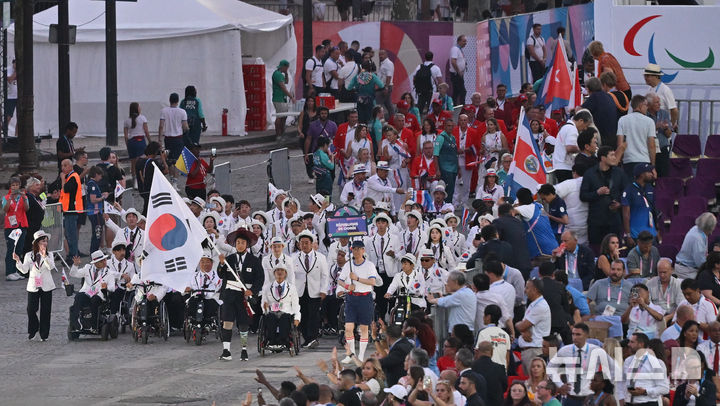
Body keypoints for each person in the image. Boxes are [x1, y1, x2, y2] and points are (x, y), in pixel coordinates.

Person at [216, 226, 264, 361]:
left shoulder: (254, 261)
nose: (240, 245)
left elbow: (260, 278)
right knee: (227, 321)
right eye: (238, 243)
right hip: (230, 294)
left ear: (247, 245)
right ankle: (226, 351)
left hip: (244, 296)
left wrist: (253, 291)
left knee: (243, 323)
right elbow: (221, 275)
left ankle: (244, 350)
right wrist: (220, 264)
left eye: (243, 243)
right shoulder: (229, 259)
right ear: (235, 244)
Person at [547, 323, 616, 405]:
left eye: (578, 334)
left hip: (590, 398)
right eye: (573, 334)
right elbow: (550, 368)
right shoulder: (565, 350)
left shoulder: (596, 350)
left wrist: (604, 386)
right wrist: (560, 384)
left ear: (586, 335)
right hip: (570, 397)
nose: (575, 337)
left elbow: (614, 368)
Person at [337, 240, 381, 363]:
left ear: (363, 250)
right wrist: (347, 286)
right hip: (351, 297)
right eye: (354, 249)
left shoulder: (369, 265)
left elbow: (372, 282)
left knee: (363, 328)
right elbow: (340, 280)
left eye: (358, 249)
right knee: (348, 327)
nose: (356, 251)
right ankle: (351, 354)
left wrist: (357, 279)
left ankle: (361, 356)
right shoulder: (348, 265)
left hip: (365, 297)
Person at [580, 146, 628, 247]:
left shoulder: (619, 173)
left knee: (615, 250)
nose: (615, 158)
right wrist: (597, 193)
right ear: (603, 158)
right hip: (597, 221)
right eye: (612, 155)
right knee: (596, 251)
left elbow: (626, 193)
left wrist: (619, 203)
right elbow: (583, 196)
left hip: (614, 220)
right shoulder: (590, 174)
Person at [13, 231, 55, 341]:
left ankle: (44, 334)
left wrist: (44, 256)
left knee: (46, 311)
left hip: (46, 285)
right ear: (36, 243)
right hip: (33, 285)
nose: (45, 243)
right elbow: (24, 270)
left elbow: (51, 267)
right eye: (42, 241)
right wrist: (18, 261)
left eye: (46, 241)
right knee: (31, 309)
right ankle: (33, 329)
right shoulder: (28, 255)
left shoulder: (49, 255)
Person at [293, 230, 329, 349]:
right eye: (302, 243)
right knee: (302, 315)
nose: (304, 245)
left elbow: (325, 275)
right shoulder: (294, 257)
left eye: (306, 243)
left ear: (312, 243)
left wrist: (324, 290)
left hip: (315, 291)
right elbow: (291, 276)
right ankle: (307, 338)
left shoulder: (321, 257)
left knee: (314, 315)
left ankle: (313, 337)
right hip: (299, 291)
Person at [69, 250, 117, 332]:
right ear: (95, 263)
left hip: (100, 295)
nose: (104, 262)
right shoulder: (88, 268)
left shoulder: (109, 273)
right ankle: (75, 320)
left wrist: (106, 287)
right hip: (88, 293)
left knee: (95, 300)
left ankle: (94, 325)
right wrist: (75, 265)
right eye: (101, 261)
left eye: (105, 260)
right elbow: (73, 274)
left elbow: (112, 288)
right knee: (78, 296)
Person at [618, 333, 669, 403]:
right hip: (629, 402)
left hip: (647, 402)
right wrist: (621, 398)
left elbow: (664, 388)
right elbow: (622, 382)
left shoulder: (657, 362)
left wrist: (645, 391)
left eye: (632, 342)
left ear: (641, 344)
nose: (628, 344)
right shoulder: (628, 361)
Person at [516, 279, 551, 376]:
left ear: (535, 290)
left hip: (534, 351)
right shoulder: (533, 304)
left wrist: (521, 327)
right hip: (530, 351)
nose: (524, 290)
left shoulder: (540, 306)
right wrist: (523, 330)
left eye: (527, 288)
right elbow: (522, 326)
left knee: (535, 385)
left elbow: (522, 325)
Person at [617, 95, 657, 178]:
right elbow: (652, 145)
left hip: (628, 161)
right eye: (646, 105)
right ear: (640, 105)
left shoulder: (622, 120)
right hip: (644, 161)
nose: (647, 108)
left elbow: (620, 143)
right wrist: (652, 166)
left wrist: (619, 160)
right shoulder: (649, 121)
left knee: (629, 188)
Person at [260, 264, 301, 347]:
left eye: (282, 270)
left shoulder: (292, 288)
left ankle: (284, 340)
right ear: (274, 273)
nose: (280, 272)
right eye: (277, 270)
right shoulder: (267, 288)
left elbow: (296, 304)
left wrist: (297, 318)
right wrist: (265, 308)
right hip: (272, 312)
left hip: (286, 312)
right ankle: (271, 341)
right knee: (270, 318)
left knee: (284, 318)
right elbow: (263, 302)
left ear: (285, 273)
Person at [515, 188, 558, 259]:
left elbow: (511, 212)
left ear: (520, 199)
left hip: (542, 251)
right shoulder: (539, 205)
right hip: (554, 246)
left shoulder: (525, 208)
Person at [493, 203, 532, 277]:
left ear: (498, 214)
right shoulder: (519, 222)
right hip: (525, 263)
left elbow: (494, 240)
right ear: (512, 212)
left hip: (511, 266)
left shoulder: (498, 222)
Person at [676, 212, 717, 279]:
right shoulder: (698, 239)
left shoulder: (697, 228)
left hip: (689, 268)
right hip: (687, 271)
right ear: (709, 228)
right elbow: (701, 264)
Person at [554, 111, 592, 183]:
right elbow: (570, 148)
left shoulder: (566, 127)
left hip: (560, 165)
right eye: (586, 125)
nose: (585, 129)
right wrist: (584, 149)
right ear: (581, 121)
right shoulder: (572, 129)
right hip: (565, 167)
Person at [3, 176, 29, 281]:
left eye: (17, 185)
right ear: (10, 186)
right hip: (10, 226)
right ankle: (9, 272)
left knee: (19, 249)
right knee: (11, 249)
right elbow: (5, 209)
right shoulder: (6, 198)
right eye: (13, 185)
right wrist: (10, 199)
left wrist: (24, 198)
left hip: (21, 224)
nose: (15, 187)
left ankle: (16, 271)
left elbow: (27, 209)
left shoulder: (23, 197)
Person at [581, 77, 618, 148]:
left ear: (588, 89)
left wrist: (575, 109)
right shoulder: (609, 96)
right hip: (613, 137)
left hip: (601, 138)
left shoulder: (594, 97)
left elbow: (581, 112)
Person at [644, 63, 678, 133]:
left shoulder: (665, 90)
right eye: (645, 75)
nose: (645, 78)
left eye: (648, 76)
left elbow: (674, 110)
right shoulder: (649, 89)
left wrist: (671, 125)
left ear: (656, 76)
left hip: (662, 129)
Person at [60, 159, 83, 263]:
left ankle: (73, 255)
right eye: (62, 166)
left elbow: (66, 189)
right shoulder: (69, 176)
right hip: (67, 210)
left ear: (71, 166)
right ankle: (72, 254)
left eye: (65, 165)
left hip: (72, 210)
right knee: (68, 233)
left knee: (71, 234)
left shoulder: (73, 177)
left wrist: (62, 180)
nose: (63, 168)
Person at [645, 92, 673, 178]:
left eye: (659, 102)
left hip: (662, 149)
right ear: (649, 105)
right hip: (648, 150)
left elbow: (669, 135)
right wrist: (655, 127)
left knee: (663, 176)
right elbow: (643, 132)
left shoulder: (664, 114)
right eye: (656, 102)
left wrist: (666, 128)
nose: (659, 104)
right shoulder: (644, 115)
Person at [471, 341, 507, 405]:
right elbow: (504, 387)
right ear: (492, 352)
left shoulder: (472, 367)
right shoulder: (500, 368)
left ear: (478, 351)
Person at [433, 119, 459, 204]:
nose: (450, 128)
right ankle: (444, 207)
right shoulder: (440, 138)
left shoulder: (453, 138)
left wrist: (458, 167)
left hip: (453, 168)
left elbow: (455, 154)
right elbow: (436, 154)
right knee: (446, 190)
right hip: (445, 168)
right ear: (444, 126)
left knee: (451, 189)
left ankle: (449, 206)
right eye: (448, 126)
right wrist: (437, 170)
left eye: (452, 126)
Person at [123, 102, 151, 179]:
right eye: (139, 107)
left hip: (132, 142)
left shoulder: (126, 121)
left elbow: (126, 136)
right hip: (141, 141)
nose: (140, 108)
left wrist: (127, 145)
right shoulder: (143, 118)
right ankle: (141, 178)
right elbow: (146, 131)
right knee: (141, 161)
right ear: (137, 109)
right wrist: (150, 141)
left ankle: (134, 179)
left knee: (133, 162)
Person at [272, 60, 295, 140]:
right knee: (280, 116)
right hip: (278, 98)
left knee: (284, 116)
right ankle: (278, 134)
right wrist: (291, 97)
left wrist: (286, 73)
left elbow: (286, 82)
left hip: (283, 98)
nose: (287, 69)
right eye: (287, 68)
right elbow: (283, 87)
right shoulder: (277, 74)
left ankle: (281, 133)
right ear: (284, 66)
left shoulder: (280, 74)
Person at [298, 96, 318, 183]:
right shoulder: (303, 113)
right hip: (305, 136)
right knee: (307, 156)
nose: (310, 103)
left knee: (316, 155)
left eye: (312, 101)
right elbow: (299, 125)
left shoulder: (317, 113)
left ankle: (316, 171)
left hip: (315, 137)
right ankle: (310, 174)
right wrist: (300, 132)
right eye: (308, 101)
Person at [22, 177, 45, 257]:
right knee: (27, 249)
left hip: (35, 227)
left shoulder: (35, 197)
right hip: (30, 228)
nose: (39, 186)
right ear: (30, 186)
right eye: (37, 185)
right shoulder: (28, 197)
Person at [450, 35, 467, 105]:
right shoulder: (455, 49)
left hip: (458, 74)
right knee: (462, 91)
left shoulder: (459, 49)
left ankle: (454, 106)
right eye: (464, 41)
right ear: (459, 41)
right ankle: (462, 106)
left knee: (456, 91)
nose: (465, 43)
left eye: (466, 41)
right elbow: (453, 61)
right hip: (456, 74)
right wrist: (458, 71)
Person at [376, 49, 394, 118]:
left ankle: (378, 119)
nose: (380, 56)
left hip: (384, 87)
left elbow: (389, 76)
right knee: (388, 105)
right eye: (379, 55)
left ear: (386, 54)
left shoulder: (388, 63)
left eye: (382, 54)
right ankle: (393, 118)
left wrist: (386, 87)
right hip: (383, 87)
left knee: (377, 105)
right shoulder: (383, 63)